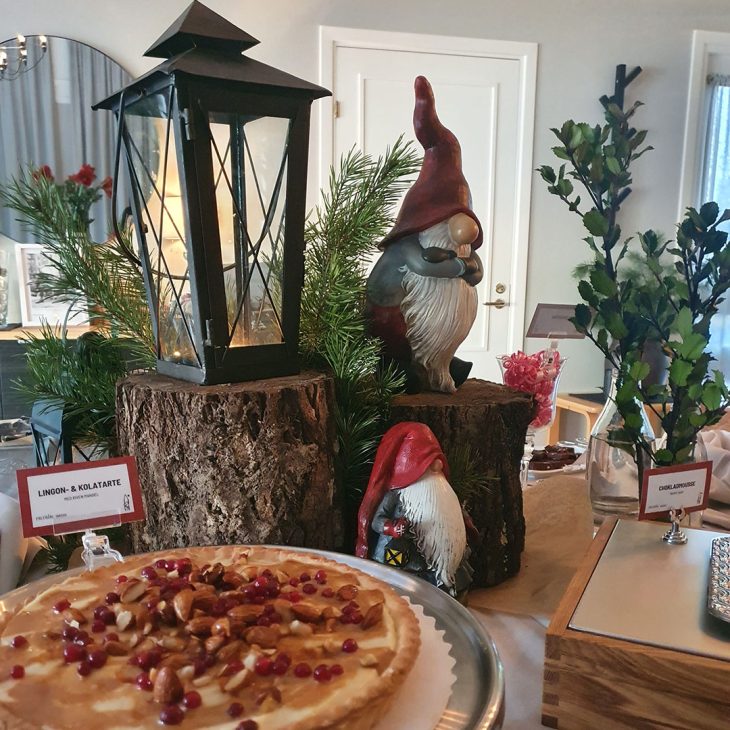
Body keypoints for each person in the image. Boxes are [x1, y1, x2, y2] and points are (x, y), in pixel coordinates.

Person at [365, 76, 484, 394]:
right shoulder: (406, 248)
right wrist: (461, 267)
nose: (458, 227)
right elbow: (424, 266)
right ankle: (407, 367)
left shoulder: (461, 247)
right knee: (396, 347)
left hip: (434, 338)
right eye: (448, 219)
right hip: (396, 329)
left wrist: (471, 267)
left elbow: (475, 272)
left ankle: (436, 363)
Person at [356, 422, 474, 596]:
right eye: (427, 465)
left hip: (442, 566)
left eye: (436, 460)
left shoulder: (443, 492)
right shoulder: (395, 496)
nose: (437, 466)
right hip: (403, 563)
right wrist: (391, 527)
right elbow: (377, 521)